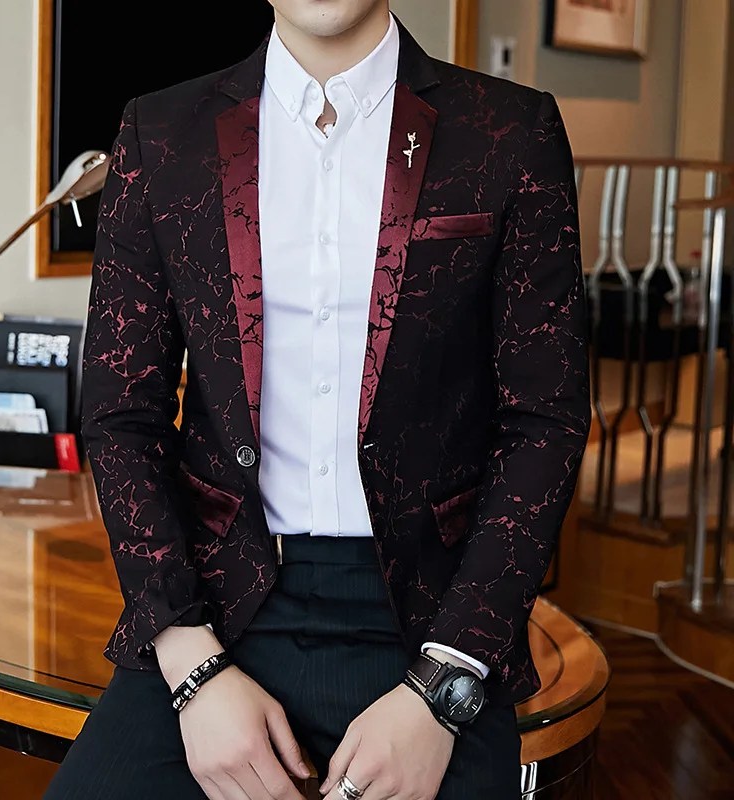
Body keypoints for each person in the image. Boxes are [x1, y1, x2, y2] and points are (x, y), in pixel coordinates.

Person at [44, 1, 590, 798]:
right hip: (216, 603)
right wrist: (191, 664)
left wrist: (444, 683)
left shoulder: (512, 130)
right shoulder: (157, 134)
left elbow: (545, 421)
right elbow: (121, 413)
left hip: (433, 617)